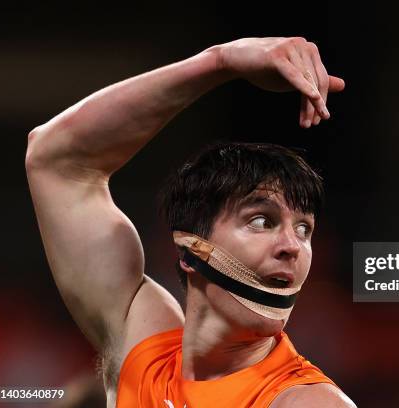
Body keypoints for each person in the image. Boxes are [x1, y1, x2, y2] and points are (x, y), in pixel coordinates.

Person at [25, 37, 354, 407]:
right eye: (261, 221)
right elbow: (56, 160)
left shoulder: (304, 402)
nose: (292, 246)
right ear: (191, 249)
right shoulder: (145, 353)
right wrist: (218, 62)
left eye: (303, 229)